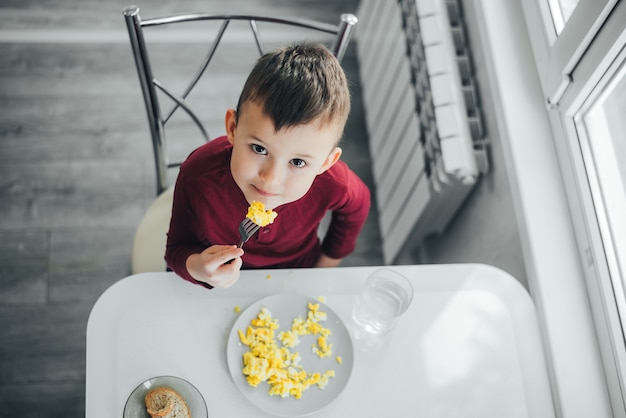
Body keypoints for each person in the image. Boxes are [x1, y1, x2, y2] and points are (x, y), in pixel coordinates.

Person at [165, 43, 371, 289]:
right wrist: (198, 267)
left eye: (297, 162)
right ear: (233, 128)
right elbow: (176, 250)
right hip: (218, 280)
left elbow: (359, 203)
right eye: (259, 149)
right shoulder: (197, 175)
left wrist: (328, 261)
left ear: (325, 163)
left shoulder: (332, 182)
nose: (270, 178)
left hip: (296, 273)